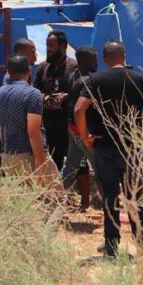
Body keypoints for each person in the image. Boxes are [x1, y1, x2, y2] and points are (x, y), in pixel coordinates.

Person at [74, 40, 143, 258]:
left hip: (104, 147)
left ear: (105, 59)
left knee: (110, 197)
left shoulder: (95, 80)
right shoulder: (139, 79)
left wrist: (85, 137)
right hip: (131, 147)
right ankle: (142, 242)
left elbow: (78, 110)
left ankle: (111, 245)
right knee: (133, 196)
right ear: (124, 56)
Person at [0, 54, 60, 184]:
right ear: (29, 70)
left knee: (20, 195)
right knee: (54, 195)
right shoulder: (32, 94)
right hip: (29, 157)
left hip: (7, 158)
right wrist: (42, 165)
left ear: (8, 72)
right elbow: (33, 133)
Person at [33, 30, 78, 173]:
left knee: (75, 161)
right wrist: (43, 97)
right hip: (49, 123)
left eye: (51, 46)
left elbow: (81, 93)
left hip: (68, 122)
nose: (48, 49)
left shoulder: (74, 67)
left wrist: (65, 96)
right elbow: (35, 90)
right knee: (53, 158)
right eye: (47, 45)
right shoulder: (43, 67)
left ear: (63, 46)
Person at [61, 46, 98, 211]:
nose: (96, 62)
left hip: (73, 128)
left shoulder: (73, 76)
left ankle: (54, 199)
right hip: (84, 130)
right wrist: (87, 134)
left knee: (70, 167)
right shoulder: (87, 81)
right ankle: (111, 206)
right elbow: (81, 109)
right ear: (85, 61)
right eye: (93, 59)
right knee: (100, 167)